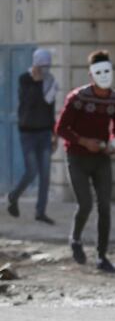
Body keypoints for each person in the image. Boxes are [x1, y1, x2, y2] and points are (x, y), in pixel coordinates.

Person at [55, 50, 115, 273]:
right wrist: (84, 142)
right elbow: (61, 128)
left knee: (104, 206)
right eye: (99, 72)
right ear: (91, 75)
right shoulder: (78, 98)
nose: (104, 76)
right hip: (77, 157)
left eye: (107, 71)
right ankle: (75, 239)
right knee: (85, 203)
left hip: (101, 158)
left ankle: (102, 256)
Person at [7, 48, 59, 224]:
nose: (45, 70)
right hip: (28, 132)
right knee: (32, 171)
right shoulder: (25, 79)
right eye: (42, 66)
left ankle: (40, 211)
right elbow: (28, 103)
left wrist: (55, 134)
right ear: (36, 64)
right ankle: (13, 196)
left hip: (44, 132)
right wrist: (37, 83)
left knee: (45, 174)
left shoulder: (50, 81)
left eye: (47, 66)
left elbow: (50, 108)